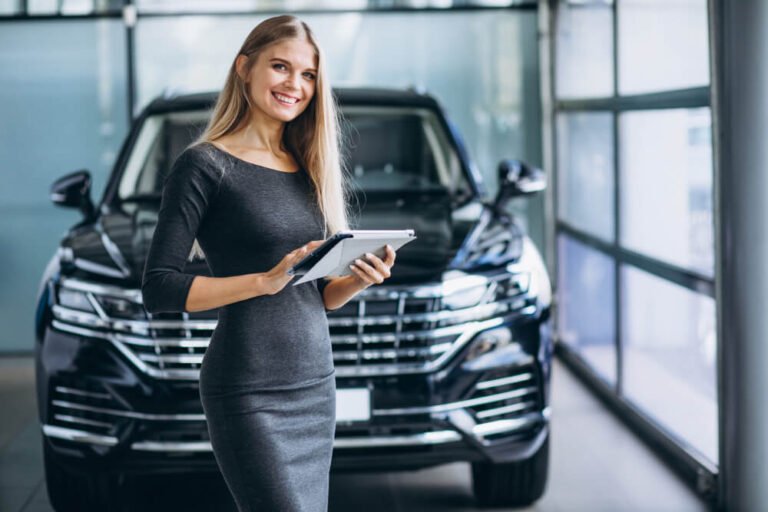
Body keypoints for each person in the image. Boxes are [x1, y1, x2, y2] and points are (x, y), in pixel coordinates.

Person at [140, 15, 396, 512]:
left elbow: (312, 294)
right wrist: (265, 279)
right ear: (244, 67)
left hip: (315, 381)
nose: (294, 85)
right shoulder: (204, 165)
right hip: (248, 388)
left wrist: (353, 281)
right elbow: (159, 288)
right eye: (280, 66)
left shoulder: (308, 163)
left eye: (307, 75)